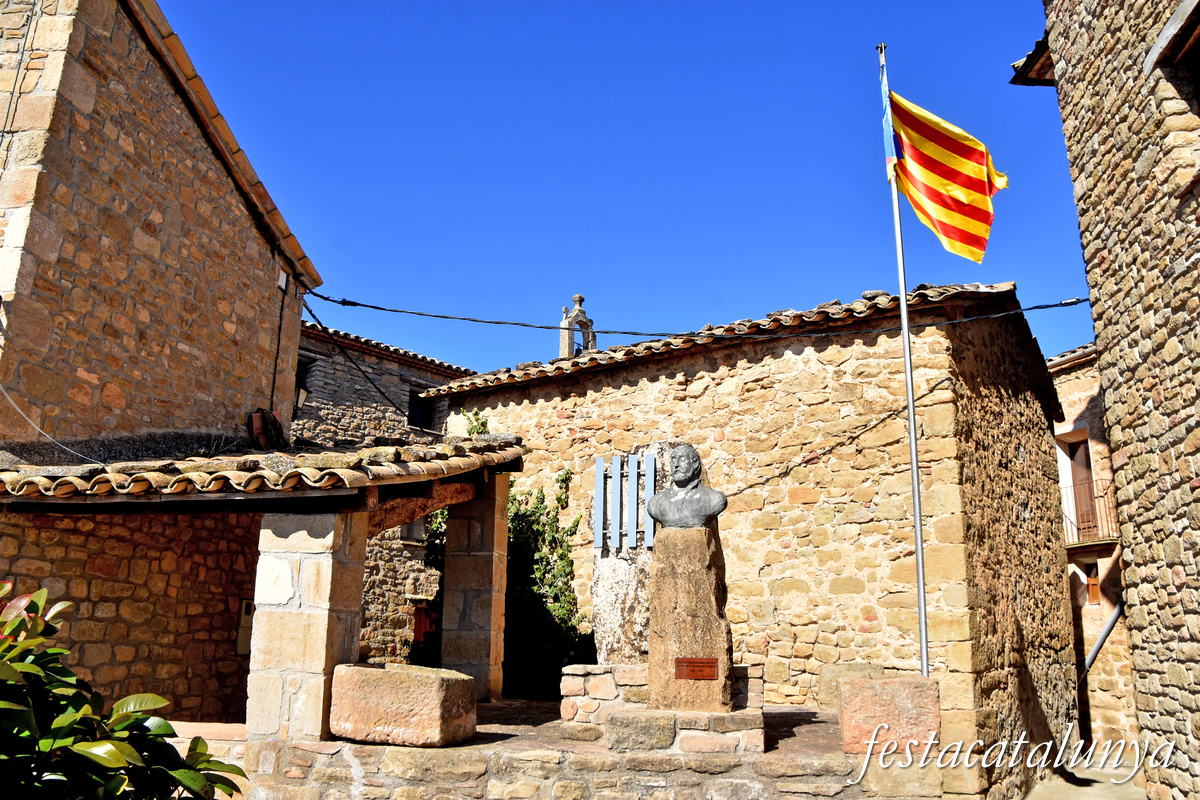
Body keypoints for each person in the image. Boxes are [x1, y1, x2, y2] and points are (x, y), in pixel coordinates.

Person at [646, 444, 727, 528]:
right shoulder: (656, 502)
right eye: (673, 460)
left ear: (695, 463)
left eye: (682, 460)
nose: (676, 465)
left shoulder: (714, 499)